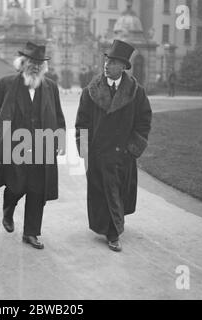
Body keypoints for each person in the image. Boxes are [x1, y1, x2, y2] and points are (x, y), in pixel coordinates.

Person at [0, 41, 66, 250]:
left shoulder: (50, 87)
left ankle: (31, 233)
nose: (35, 66)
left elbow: (58, 116)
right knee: (15, 185)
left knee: (37, 191)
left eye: (39, 62)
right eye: (31, 61)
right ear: (22, 62)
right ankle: (8, 209)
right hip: (14, 147)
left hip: (41, 147)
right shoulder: (5, 85)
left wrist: (60, 139)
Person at [75, 39, 152, 252]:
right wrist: (84, 150)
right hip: (98, 155)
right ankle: (111, 232)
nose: (107, 65)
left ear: (124, 67)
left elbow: (144, 122)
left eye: (113, 62)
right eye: (106, 61)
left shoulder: (136, 92)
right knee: (102, 193)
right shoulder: (90, 91)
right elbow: (82, 123)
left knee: (117, 192)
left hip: (123, 155)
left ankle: (113, 231)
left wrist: (132, 149)